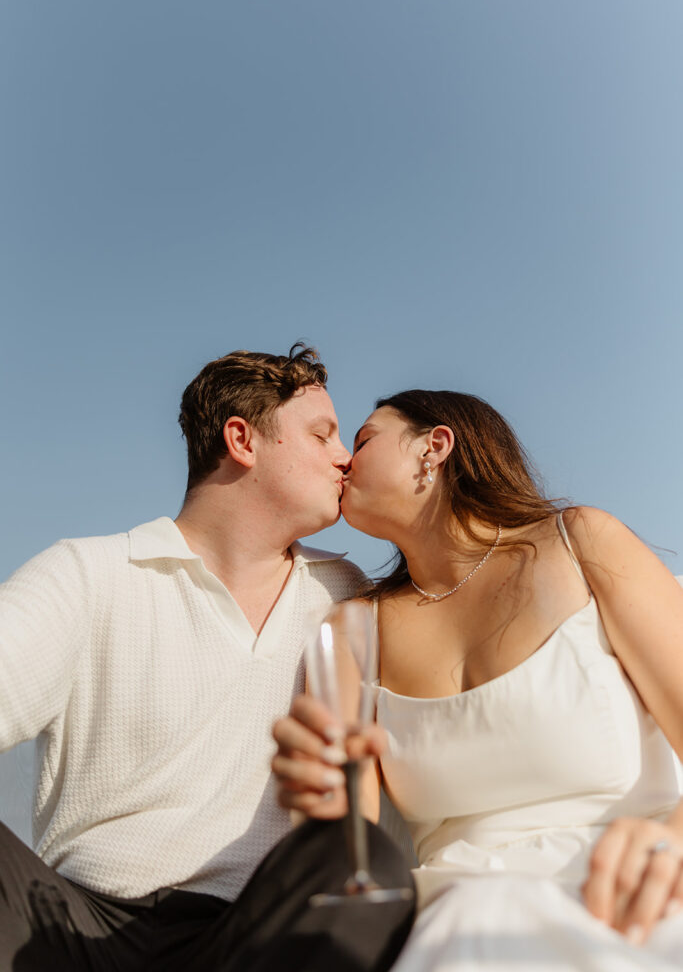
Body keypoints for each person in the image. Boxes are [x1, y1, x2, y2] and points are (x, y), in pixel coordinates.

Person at [0, 345, 414, 972]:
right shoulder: (89, 574)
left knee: (366, 866)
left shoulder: (350, 597)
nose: (344, 456)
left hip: (255, 936)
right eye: (322, 433)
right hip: (74, 930)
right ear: (242, 440)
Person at [273, 388, 683, 970]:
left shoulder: (581, 542)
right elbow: (348, 848)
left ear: (433, 448)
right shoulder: (352, 630)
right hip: (462, 913)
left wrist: (675, 842)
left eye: (362, 441)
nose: (342, 459)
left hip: (636, 881)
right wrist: (318, 796)